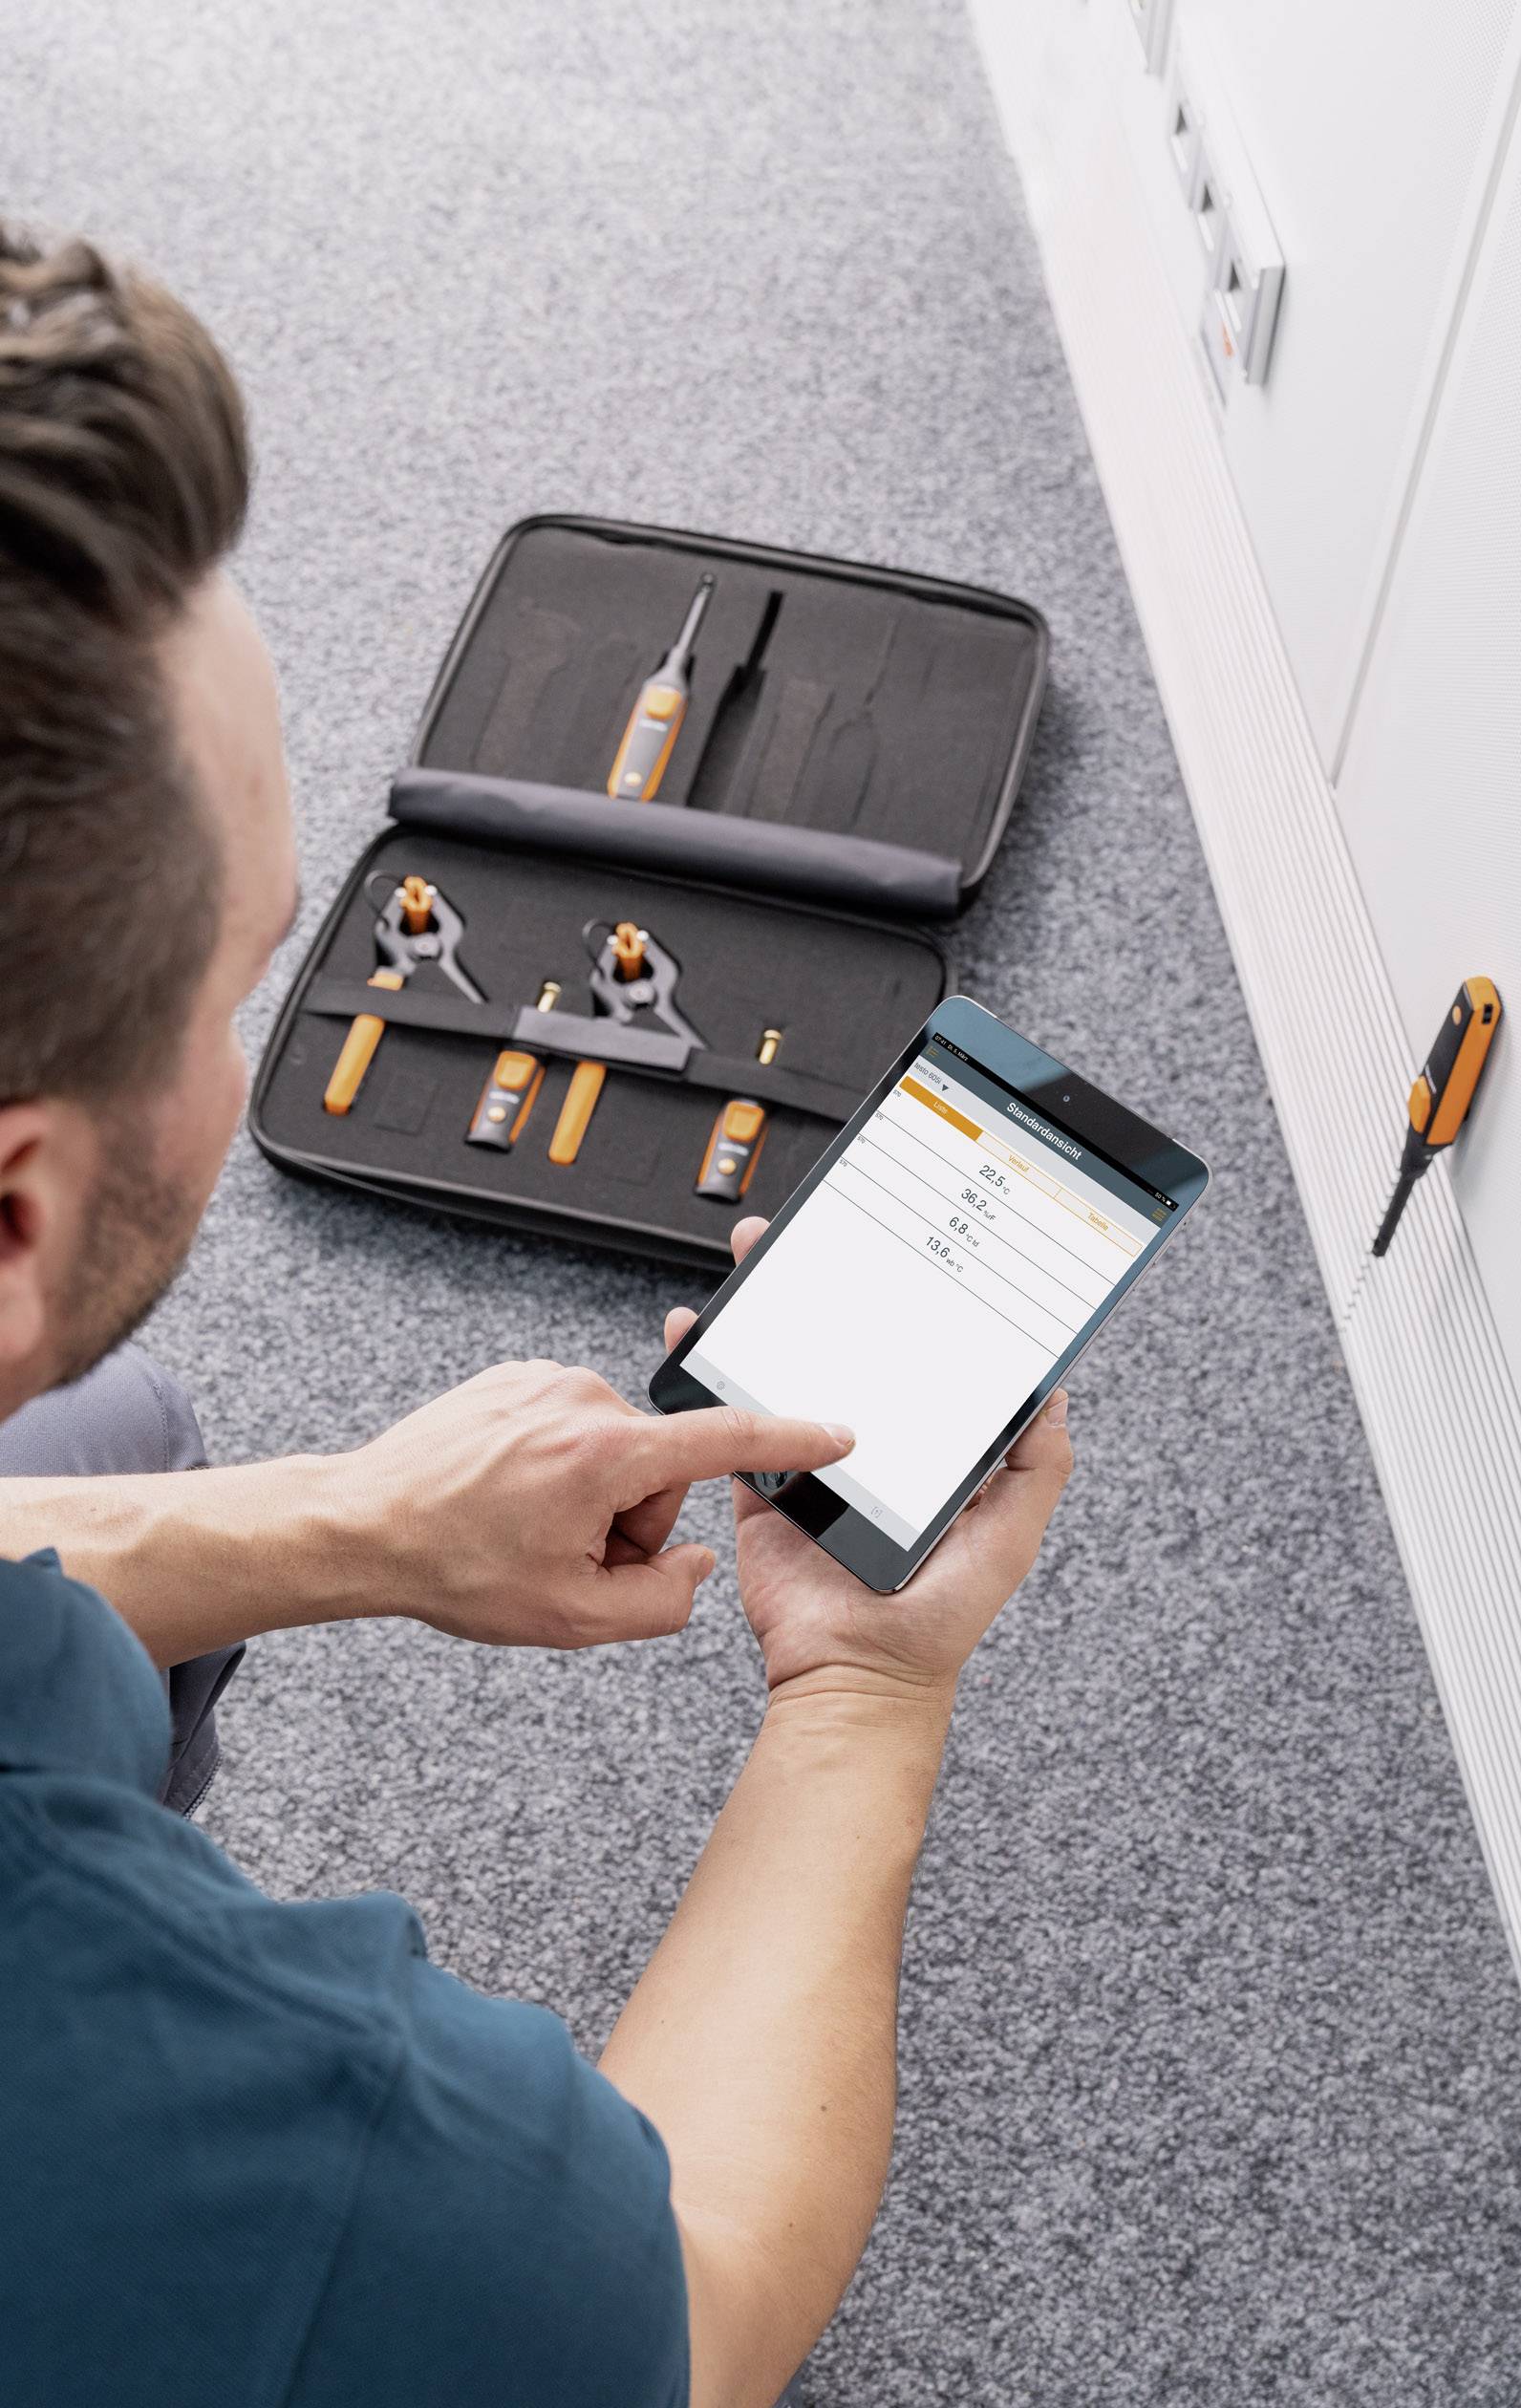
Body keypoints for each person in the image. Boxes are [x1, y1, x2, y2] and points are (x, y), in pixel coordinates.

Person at [0, 226, 1073, 2408]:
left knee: (113, 1449)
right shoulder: (256, 2142)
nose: (253, 1039)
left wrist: (349, 1524)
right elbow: (679, 2312)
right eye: (238, 982)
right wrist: (862, 1691)